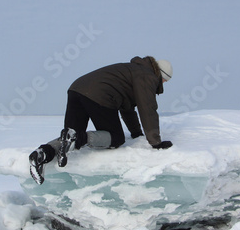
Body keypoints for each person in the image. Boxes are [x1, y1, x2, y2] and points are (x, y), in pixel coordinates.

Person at [29, 56, 173, 184]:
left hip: (76, 89)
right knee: (115, 138)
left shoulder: (133, 71)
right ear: (161, 75)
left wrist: (136, 132)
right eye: (165, 80)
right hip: (99, 94)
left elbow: (127, 108)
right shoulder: (147, 75)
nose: (164, 83)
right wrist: (156, 142)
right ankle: (76, 138)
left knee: (71, 136)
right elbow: (147, 108)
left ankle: (42, 153)